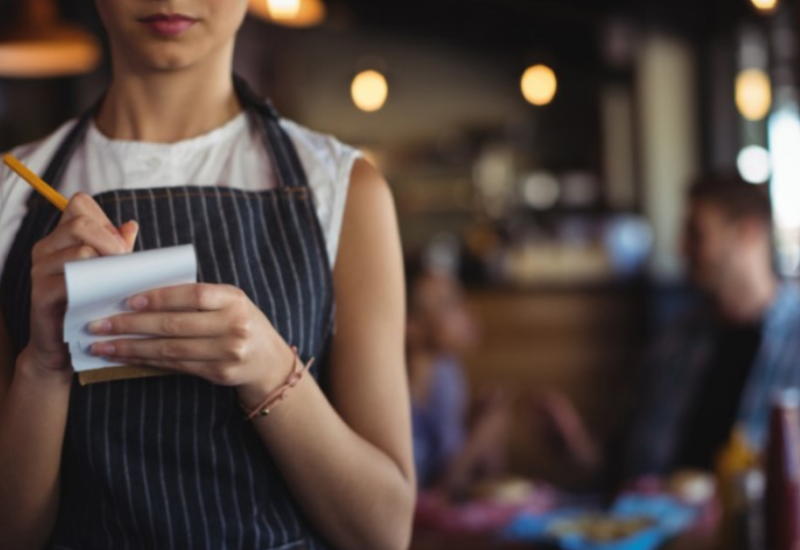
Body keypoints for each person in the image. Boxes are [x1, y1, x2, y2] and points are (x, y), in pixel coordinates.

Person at [0, 2, 414, 550]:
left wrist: (269, 367)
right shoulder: (11, 195)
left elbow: (384, 532)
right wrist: (43, 366)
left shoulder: (345, 190)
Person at [537, 172, 800, 484]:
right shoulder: (674, 342)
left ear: (748, 232)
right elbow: (622, 470)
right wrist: (576, 448)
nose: (681, 248)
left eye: (696, 233)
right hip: (657, 525)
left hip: (752, 531)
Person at [407, 268, 510, 494]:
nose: (467, 311)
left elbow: (475, 482)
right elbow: (438, 493)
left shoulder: (448, 376)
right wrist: (479, 440)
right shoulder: (392, 393)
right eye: (449, 304)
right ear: (411, 325)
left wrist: (487, 433)